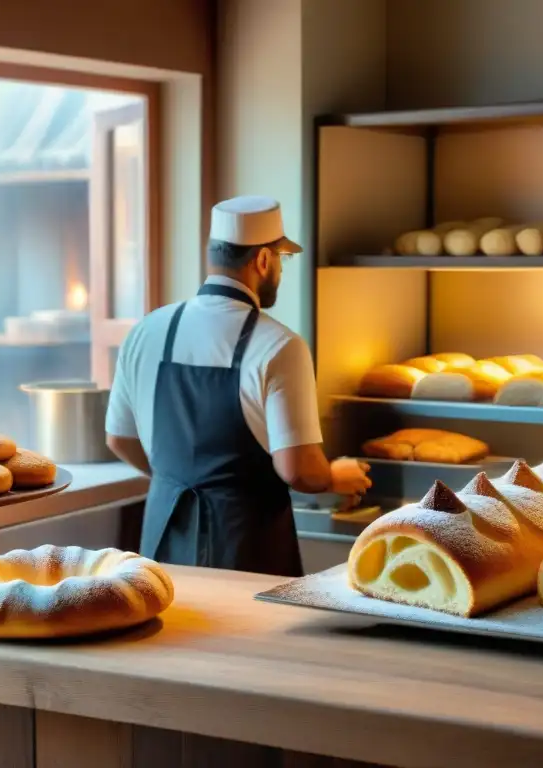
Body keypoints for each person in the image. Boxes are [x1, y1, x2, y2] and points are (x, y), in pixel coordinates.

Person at [105, 195, 372, 577]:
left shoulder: (148, 329)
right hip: (245, 548)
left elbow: (119, 439)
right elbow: (298, 469)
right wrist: (332, 476)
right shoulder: (279, 345)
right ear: (263, 260)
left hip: (163, 538)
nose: (279, 270)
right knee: (246, 637)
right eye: (281, 259)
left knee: (167, 629)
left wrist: (178, 480)